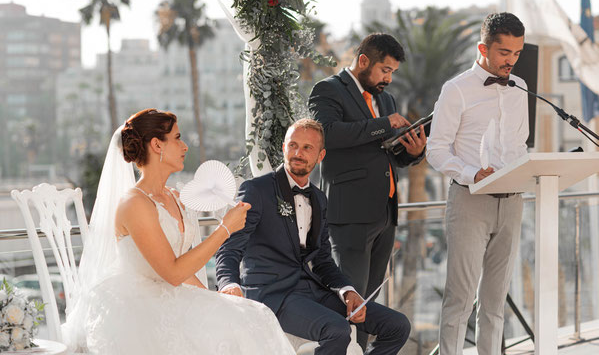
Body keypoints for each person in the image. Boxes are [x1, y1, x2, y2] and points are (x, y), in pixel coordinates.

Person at [62, 108, 295, 354]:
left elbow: (183, 271)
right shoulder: (134, 204)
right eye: (177, 137)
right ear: (157, 145)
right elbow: (173, 272)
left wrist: (216, 301)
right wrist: (225, 228)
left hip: (175, 296)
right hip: (142, 308)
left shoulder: (174, 197)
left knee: (254, 316)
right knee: (239, 329)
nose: (185, 146)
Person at [216, 119, 410, 355]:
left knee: (397, 326)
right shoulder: (257, 190)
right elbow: (230, 247)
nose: (298, 153)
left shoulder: (319, 198)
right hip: (273, 294)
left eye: (307, 148)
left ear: (321, 156)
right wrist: (229, 284)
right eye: (293, 145)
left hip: (313, 291)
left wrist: (348, 291)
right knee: (337, 329)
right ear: (283, 148)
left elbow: (323, 260)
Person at [307, 33, 426, 341]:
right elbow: (329, 135)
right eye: (384, 70)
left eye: (392, 72)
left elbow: (386, 154)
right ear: (363, 61)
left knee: (370, 305)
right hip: (350, 217)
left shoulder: (386, 99)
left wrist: (412, 153)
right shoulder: (328, 90)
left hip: (385, 216)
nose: (388, 78)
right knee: (350, 305)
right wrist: (385, 124)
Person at [426, 13, 529, 355]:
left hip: (513, 202)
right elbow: (436, 150)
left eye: (516, 52)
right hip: (470, 200)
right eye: (503, 52)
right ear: (483, 47)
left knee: (495, 302)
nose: (510, 60)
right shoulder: (455, 89)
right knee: (460, 300)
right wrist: (472, 172)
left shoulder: (521, 89)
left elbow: (519, 144)